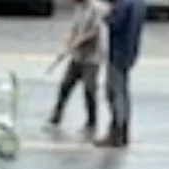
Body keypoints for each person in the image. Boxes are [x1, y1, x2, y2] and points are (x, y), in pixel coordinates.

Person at [45, 0, 105, 141]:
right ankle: (57, 115)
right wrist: (68, 44)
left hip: (92, 56)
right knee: (66, 85)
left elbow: (96, 31)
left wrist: (79, 41)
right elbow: (74, 28)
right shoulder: (79, 8)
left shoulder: (97, 9)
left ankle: (92, 122)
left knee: (89, 89)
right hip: (77, 56)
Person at [100, 0, 145, 149]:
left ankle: (117, 131)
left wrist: (107, 16)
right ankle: (123, 130)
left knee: (113, 92)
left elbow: (114, 24)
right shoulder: (139, 3)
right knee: (123, 92)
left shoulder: (123, 5)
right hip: (130, 51)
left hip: (118, 51)